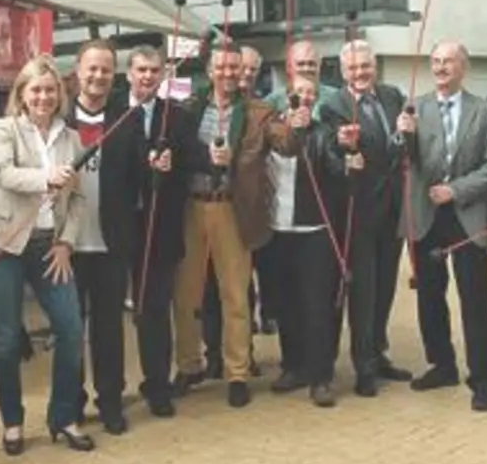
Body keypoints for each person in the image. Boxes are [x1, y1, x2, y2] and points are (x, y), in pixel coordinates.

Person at [0, 55, 93, 455]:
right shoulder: (2, 128)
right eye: (35, 89)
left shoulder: (71, 138)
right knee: (6, 338)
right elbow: (2, 175)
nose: (43, 96)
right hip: (3, 243)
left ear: (60, 95)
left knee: (71, 328)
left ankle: (64, 417)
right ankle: (13, 422)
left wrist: (66, 242)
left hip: (48, 246)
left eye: (50, 90)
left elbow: (78, 199)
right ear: (21, 94)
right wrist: (46, 177)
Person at [172, 43, 308, 407]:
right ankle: (188, 365)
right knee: (186, 295)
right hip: (191, 207)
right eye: (222, 66)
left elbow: (287, 145)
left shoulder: (259, 112)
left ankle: (237, 371)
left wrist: (297, 127)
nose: (229, 74)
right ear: (209, 68)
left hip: (233, 209)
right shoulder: (188, 109)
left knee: (235, 294)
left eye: (235, 67)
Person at [395, 41, 487, 411]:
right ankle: (441, 364)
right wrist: (403, 135)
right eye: (436, 62)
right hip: (425, 216)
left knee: (475, 297)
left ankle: (482, 380)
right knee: (429, 295)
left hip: (466, 212)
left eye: (449, 62)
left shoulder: (484, 110)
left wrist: (455, 190)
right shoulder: (414, 108)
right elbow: (404, 161)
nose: (441, 68)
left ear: (464, 67)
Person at [317, 39, 413, 395]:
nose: (361, 73)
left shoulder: (392, 96)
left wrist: (407, 134)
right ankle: (363, 367)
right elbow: (327, 150)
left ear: (375, 67)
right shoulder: (333, 106)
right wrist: (343, 147)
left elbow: (402, 146)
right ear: (343, 72)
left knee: (386, 288)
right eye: (354, 68)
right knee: (364, 291)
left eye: (366, 66)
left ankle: (378, 352)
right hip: (357, 211)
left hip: (392, 210)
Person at [118, 44, 195, 417]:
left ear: (164, 74)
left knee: (154, 311)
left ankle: (158, 384)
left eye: (154, 70)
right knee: (105, 315)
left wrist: (172, 162)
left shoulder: (176, 117)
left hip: (159, 229)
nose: (147, 76)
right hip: (116, 228)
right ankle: (110, 389)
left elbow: (193, 163)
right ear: (129, 74)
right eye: (141, 70)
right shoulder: (113, 113)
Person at [264, 75, 343, 406]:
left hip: (314, 232)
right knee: (285, 305)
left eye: (312, 93)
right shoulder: (270, 131)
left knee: (317, 306)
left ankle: (321, 376)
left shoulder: (324, 133)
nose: (306, 98)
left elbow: (338, 170)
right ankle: (293, 366)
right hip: (276, 230)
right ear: (287, 97)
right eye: (300, 93)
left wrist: (349, 155)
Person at [69, 40, 134, 433]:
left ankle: (110, 402)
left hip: (111, 241)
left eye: (106, 70)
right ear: (78, 70)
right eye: (92, 68)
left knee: (109, 329)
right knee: (70, 329)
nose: (98, 76)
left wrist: (157, 167)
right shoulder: (57, 119)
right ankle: (70, 403)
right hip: (67, 244)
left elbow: (138, 181)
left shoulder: (125, 120)